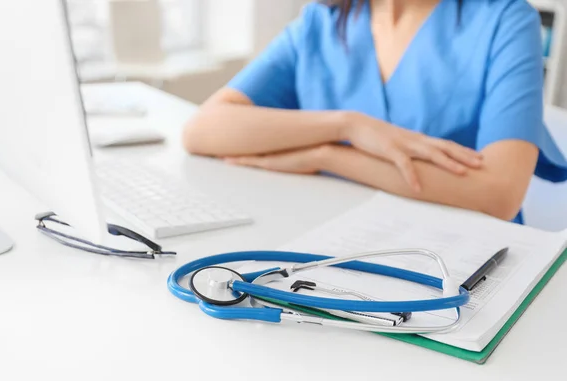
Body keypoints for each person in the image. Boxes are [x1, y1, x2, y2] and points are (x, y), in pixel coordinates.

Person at [182, 0, 567, 223]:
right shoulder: (322, 21)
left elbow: (498, 194)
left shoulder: (506, 18)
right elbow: (203, 130)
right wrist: (348, 125)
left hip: (467, 264)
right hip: (335, 237)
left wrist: (327, 155)